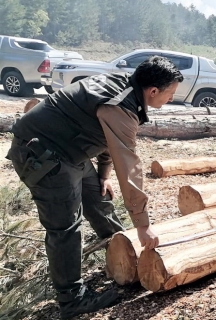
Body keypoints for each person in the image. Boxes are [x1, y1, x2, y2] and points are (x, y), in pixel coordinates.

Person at [6, 56, 182, 319]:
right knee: (65, 227)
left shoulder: (126, 90)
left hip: (69, 151)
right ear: (153, 90)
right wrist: (143, 223)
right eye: (171, 94)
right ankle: (72, 299)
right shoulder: (120, 104)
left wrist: (103, 174)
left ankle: (124, 254)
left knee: (99, 199)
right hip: (42, 155)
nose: (171, 99)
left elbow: (105, 137)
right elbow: (129, 166)